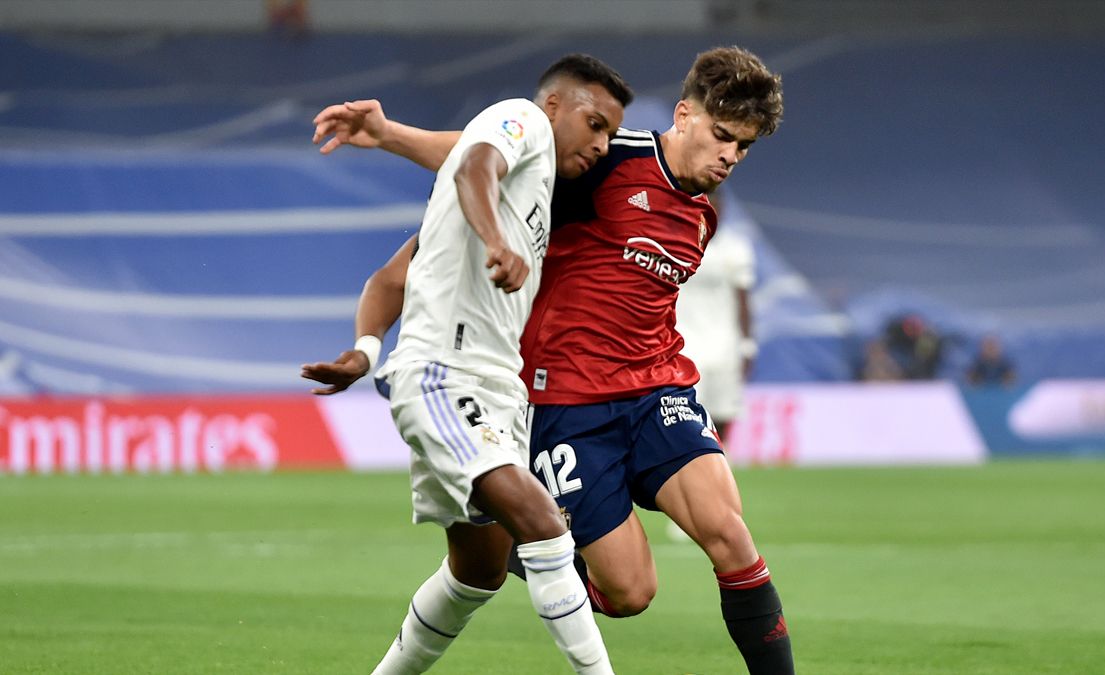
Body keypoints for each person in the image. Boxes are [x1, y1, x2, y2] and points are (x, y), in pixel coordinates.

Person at [309, 46, 792, 674]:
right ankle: (525, 542)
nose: (730, 155)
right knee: (629, 594)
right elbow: (485, 154)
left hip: (657, 392)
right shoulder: (604, 162)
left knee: (731, 537)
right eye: (723, 135)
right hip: (565, 408)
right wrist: (389, 135)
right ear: (684, 115)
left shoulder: (702, 217)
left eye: (745, 146)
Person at [302, 54, 633, 674]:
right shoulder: (524, 120)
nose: (603, 144)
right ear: (556, 106)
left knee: (479, 569)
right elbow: (476, 163)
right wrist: (496, 240)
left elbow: (389, 278)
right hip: (443, 376)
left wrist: (365, 351)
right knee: (542, 521)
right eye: (596, 124)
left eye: (613, 134)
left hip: (495, 390)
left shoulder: (533, 191)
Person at [673, 189, 757, 440]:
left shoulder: (735, 248)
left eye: (717, 206)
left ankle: (722, 468)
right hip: (684, 347)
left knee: (722, 417)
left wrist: (747, 346)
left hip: (724, 348)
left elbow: (743, 301)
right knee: (686, 420)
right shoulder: (675, 244)